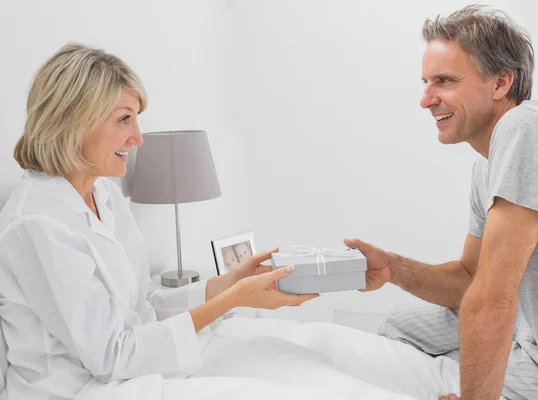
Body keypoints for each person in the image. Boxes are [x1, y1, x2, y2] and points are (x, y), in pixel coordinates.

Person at [0, 43, 318, 400]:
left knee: (300, 363)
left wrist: (229, 284)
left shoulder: (105, 193)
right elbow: (111, 355)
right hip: (75, 389)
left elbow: (142, 305)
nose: (137, 138)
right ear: (74, 121)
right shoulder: (36, 223)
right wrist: (232, 300)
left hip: (130, 373)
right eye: (124, 119)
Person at [345, 5, 538, 400]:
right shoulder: (488, 167)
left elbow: (493, 301)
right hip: (531, 332)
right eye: (426, 82)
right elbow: (470, 278)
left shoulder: (526, 129)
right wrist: (392, 268)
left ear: (500, 84)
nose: (426, 99)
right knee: (400, 324)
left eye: (444, 81)